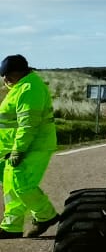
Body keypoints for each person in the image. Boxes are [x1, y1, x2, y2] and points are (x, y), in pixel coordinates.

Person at [0, 55, 58, 239]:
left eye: (6, 76)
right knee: (11, 187)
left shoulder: (30, 88)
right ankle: (11, 227)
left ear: (13, 74)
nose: (4, 80)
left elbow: (28, 125)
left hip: (33, 146)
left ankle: (46, 215)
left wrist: (19, 149)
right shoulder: (20, 87)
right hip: (16, 147)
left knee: (21, 184)